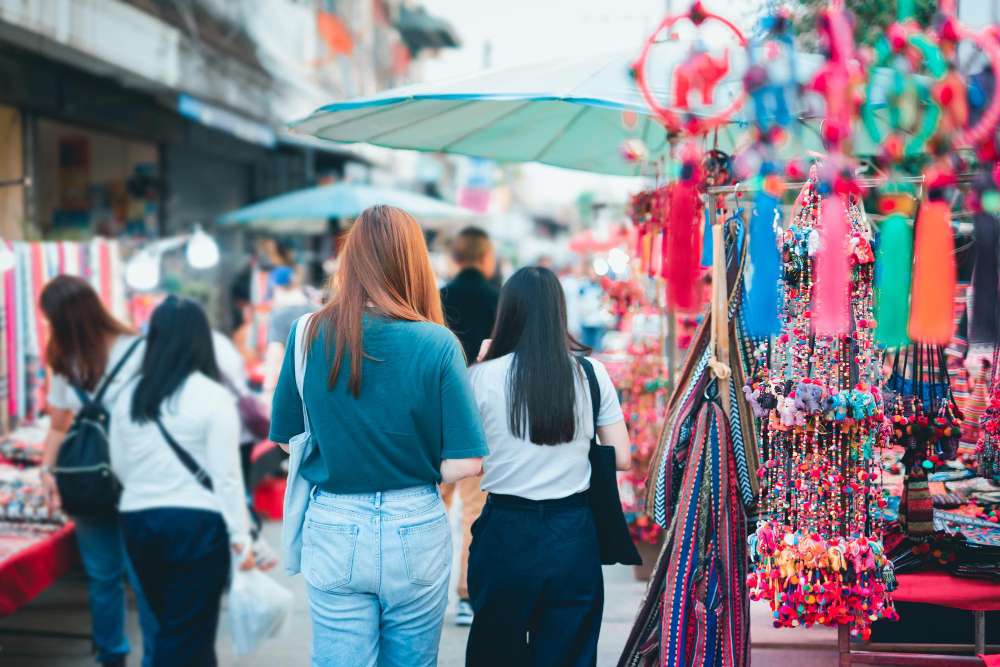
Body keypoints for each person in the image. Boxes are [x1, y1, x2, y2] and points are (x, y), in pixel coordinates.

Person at [269, 205, 488, 667]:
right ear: (414, 263)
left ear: (351, 260)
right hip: (416, 522)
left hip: (334, 522)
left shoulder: (307, 333)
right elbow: (466, 464)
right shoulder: (438, 342)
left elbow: (290, 439)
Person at [465, 266, 631, 667]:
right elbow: (621, 457)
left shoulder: (481, 377)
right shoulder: (591, 374)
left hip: (504, 529)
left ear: (507, 313)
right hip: (572, 534)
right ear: (559, 312)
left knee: (495, 651)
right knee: (568, 650)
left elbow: (468, 459)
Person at [110, 297, 254, 667]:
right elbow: (227, 477)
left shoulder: (128, 396)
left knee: (169, 624)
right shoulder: (213, 397)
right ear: (200, 339)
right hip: (197, 524)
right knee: (187, 630)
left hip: (138, 520)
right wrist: (242, 537)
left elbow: (119, 466)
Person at [37, 275, 157, 667]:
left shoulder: (65, 360)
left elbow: (58, 425)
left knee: (105, 577)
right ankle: (153, 657)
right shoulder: (138, 349)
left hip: (88, 478)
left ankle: (112, 655)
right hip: (138, 477)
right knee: (143, 578)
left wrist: (47, 469)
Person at [438, 225, 499, 626]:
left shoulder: (439, 297)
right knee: (475, 510)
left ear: (456, 257)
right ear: (486, 256)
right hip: (483, 413)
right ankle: (466, 594)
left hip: (438, 412)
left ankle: (423, 587)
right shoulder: (500, 297)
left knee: (429, 503)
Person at [263, 265, 314, 390]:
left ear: (277, 287)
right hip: (315, 382)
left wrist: (267, 389)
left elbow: (275, 354)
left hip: (290, 385)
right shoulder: (315, 310)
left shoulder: (279, 315)